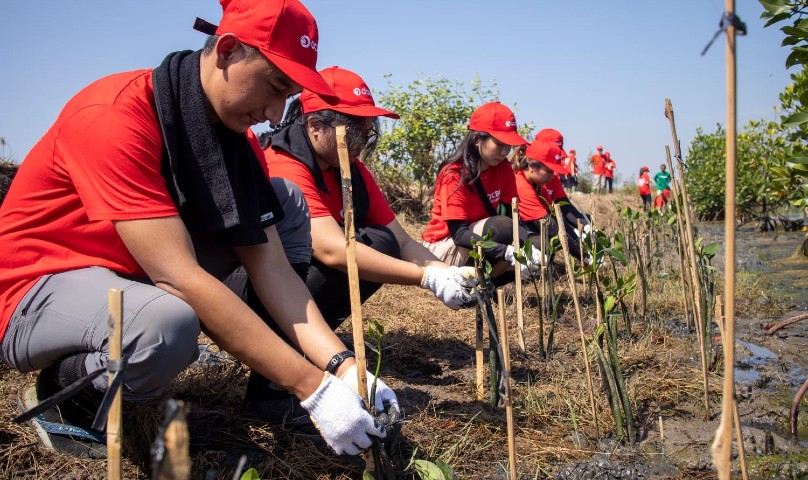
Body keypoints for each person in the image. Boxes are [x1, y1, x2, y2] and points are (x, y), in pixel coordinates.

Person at [0, 0, 392, 459]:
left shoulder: (231, 139)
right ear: (226, 50)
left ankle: (259, 373)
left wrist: (344, 369)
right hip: (39, 288)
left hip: (131, 270)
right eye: (273, 87)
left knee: (282, 203)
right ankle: (67, 394)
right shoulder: (114, 115)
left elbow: (272, 266)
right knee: (165, 326)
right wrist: (311, 387)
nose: (273, 113)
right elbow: (179, 277)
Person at [263, 66, 477, 332]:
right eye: (353, 132)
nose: (361, 141)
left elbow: (401, 240)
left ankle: (317, 333)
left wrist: (447, 273)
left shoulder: (352, 170)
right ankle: (289, 337)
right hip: (264, 286)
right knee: (370, 247)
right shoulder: (284, 163)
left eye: (366, 132)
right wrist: (426, 277)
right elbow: (332, 250)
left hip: (302, 279)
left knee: (381, 241)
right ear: (315, 125)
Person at [422, 102, 536, 283]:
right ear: (477, 139)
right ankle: (471, 284)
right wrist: (505, 252)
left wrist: (527, 248)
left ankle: (484, 288)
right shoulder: (454, 174)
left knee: (525, 238)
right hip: (445, 248)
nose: (504, 152)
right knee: (502, 228)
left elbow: (513, 216)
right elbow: (459, 235)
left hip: (477, 239)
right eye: (499, 144)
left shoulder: (503, 169)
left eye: (509, 146)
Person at [513, 141, 587, 261]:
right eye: (549, 171)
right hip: (510, 238)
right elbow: (551, 227)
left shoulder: (537, 186)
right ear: (532, 166)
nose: (552, 176)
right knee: (548, 242)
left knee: (551, 242)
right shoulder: (520, 184)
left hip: (522, 231)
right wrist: (584, 257)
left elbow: (555, 217)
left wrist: (577, 238)